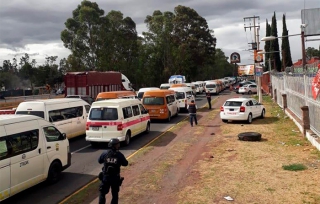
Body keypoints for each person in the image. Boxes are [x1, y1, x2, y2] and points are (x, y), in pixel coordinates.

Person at [98, 138, 128, 204]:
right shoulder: (119, 155)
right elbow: (125, 163)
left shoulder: (105, 153)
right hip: (115, 178)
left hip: (106, 177)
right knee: (115, 194)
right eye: (118, 144)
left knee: (102, 193)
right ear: (116, 145)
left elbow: (99, 161)